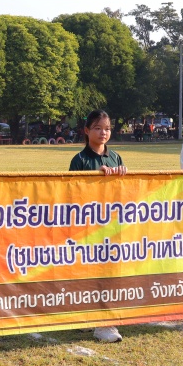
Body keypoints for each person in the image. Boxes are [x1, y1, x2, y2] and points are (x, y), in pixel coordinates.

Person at [68, 109, 127, 343]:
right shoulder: (79, 160)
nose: (103, 133)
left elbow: (123, 192)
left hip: (111, 226)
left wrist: (123, 175)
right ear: (86, 131)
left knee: (109, 273)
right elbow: (71, 192)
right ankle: (88, 317)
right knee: (88, 274)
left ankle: (105, 323)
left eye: (107, 128)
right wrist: (94, 176)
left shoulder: (116, 158)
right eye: (98, 128)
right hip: (87, 227)